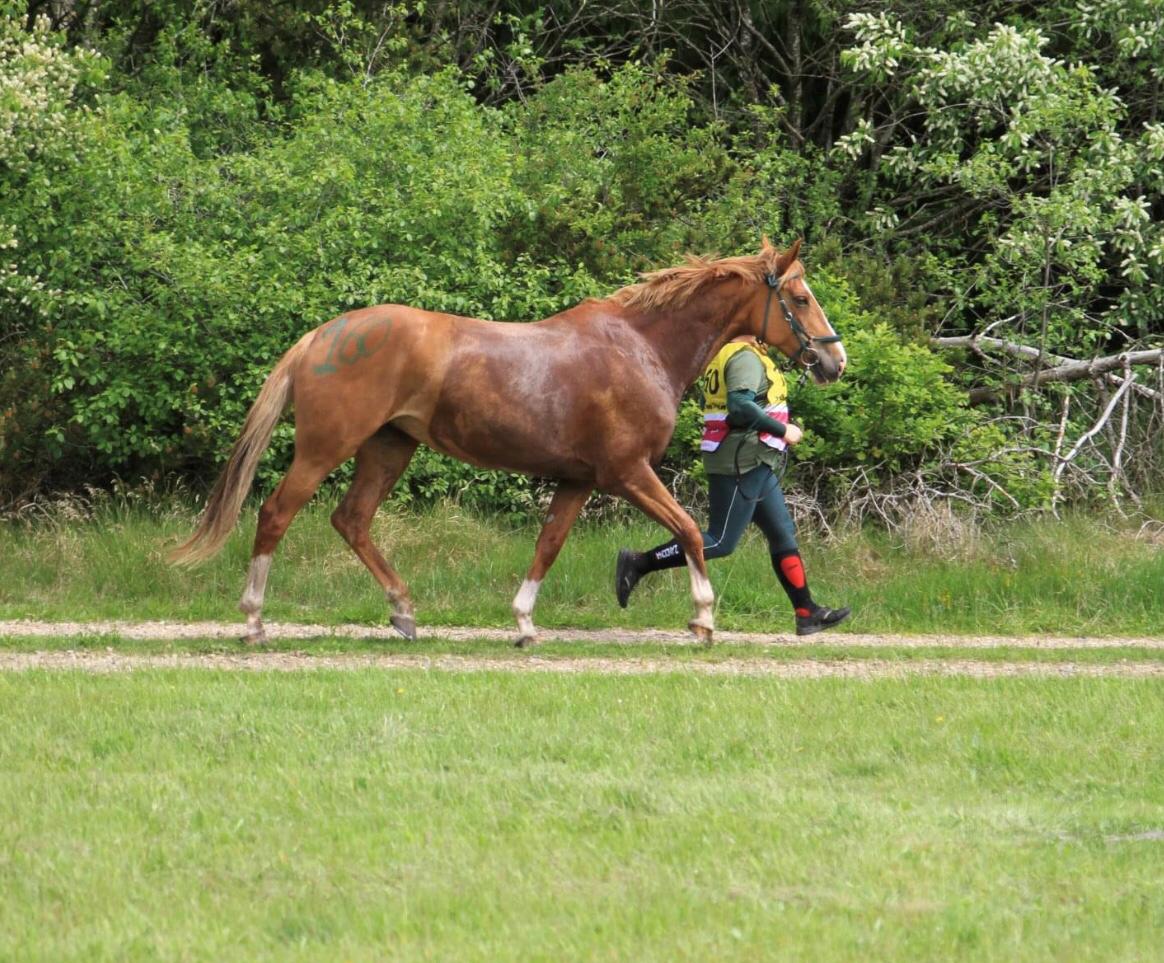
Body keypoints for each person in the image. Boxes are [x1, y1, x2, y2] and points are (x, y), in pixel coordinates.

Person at [615, 334, 850, 636]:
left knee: (782, 533)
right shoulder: (743, 357)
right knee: (720, 540)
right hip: (742, 459)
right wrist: (783, 430)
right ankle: (639, 563)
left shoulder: (734, 353)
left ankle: (807, 612)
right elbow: (740, 407)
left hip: (755, 458)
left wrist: (820, 361)